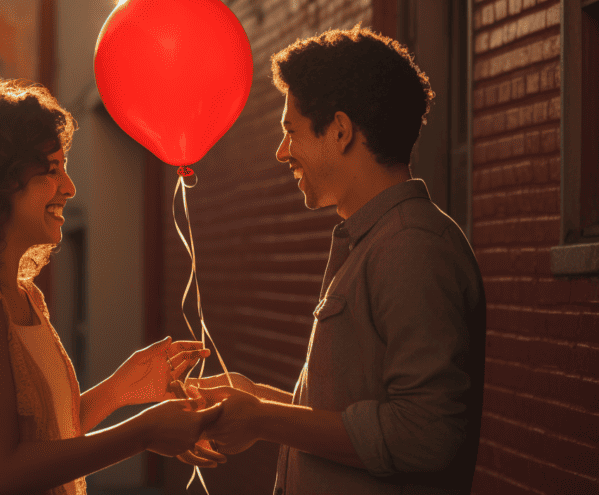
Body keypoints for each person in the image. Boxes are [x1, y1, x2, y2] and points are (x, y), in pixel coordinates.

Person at [0, 79, 225, 495]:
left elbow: (42, 435)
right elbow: (1, 474)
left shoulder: (24, 295)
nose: (69, 187)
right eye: (52, 170)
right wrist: (143, 434)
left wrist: (120, 389)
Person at [191, 26, 486, 494]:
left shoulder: (412, 247)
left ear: (341, 131)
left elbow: (425, 437)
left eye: (291, 131)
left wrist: (265, 420)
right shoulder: (378, 241)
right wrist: (257, 401)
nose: (282, 151)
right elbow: (355, 418)